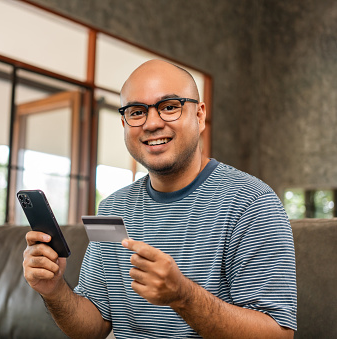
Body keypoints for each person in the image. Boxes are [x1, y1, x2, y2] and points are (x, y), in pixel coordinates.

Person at [23, 60, 297, 338]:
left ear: (200, 116)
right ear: (124, 124)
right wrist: (54, 289)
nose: (152, 123)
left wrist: (182, 296)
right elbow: (92, 327)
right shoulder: (112, 208)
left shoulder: (252, 202)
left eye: (169, 106)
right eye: (137, 112)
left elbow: (279, 334)